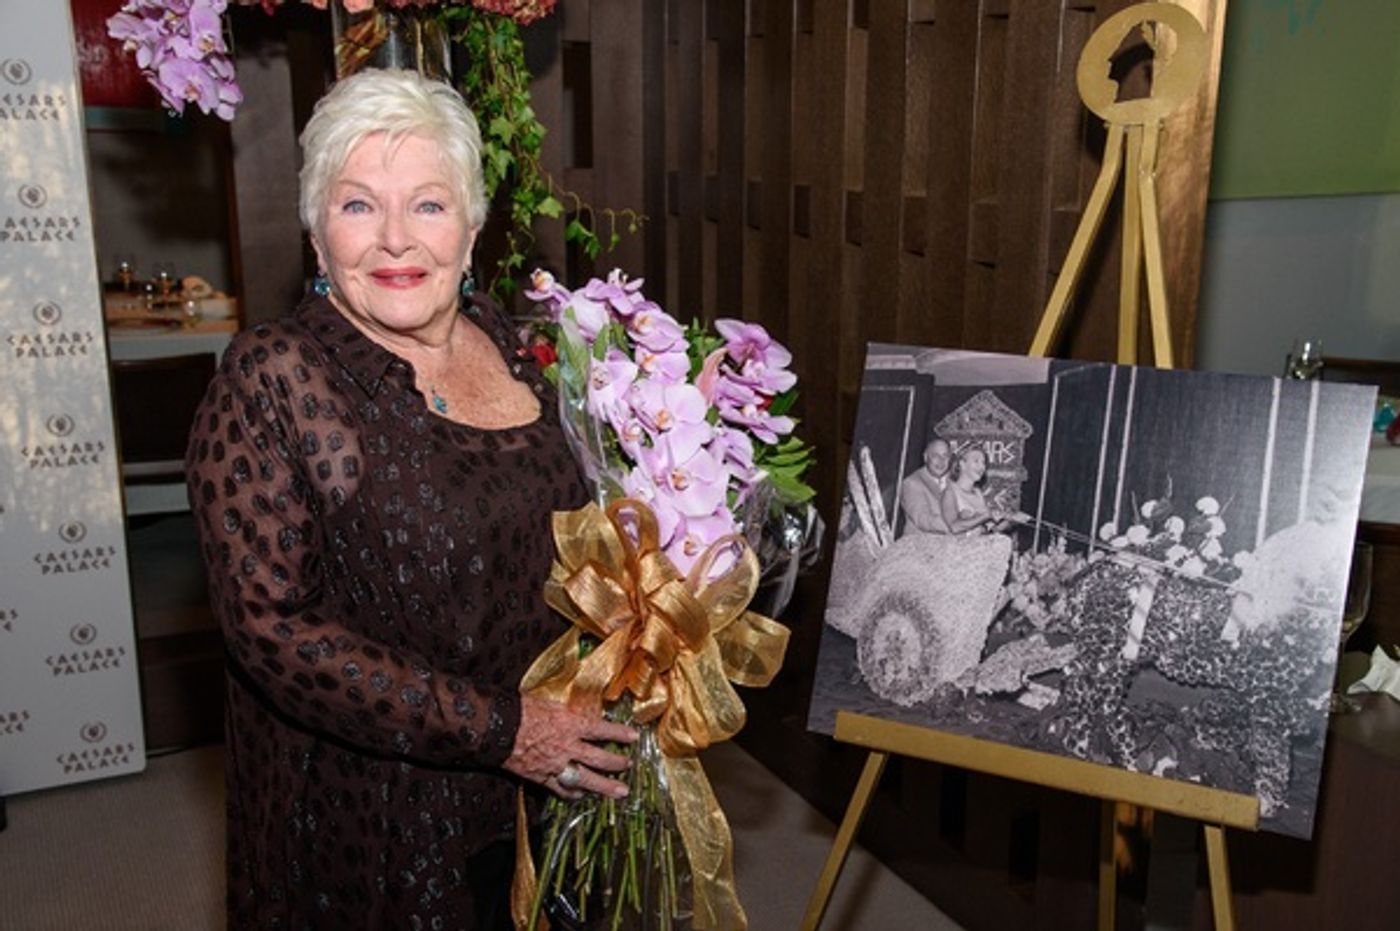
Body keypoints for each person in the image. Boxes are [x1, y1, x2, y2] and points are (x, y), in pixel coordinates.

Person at [184, 69, 636, 930]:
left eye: (428, 205)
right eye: (358, 206)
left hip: (546, 783)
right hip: (374, 816)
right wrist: (506, 730)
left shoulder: (519, 345)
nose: (395, 239)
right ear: (319, 235)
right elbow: (273, 631)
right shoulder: (271, 379)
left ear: (472, 227)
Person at [940, 446, 1002, 535]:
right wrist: (986, 515)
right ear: (962, 464)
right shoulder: (950, 492)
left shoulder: (978, 493)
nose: (982, 467)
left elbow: (986, 527)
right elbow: (954, 527)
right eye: (976, 461)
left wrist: (1004, 521)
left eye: (983, 463)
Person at [899, 438, 952, 535]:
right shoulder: (911, 483)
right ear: (925, 457)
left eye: (945, 456)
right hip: (921, 545)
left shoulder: (955, 481)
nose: (941, 461)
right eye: (935, 456)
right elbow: (923, 519)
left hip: (950, 544)